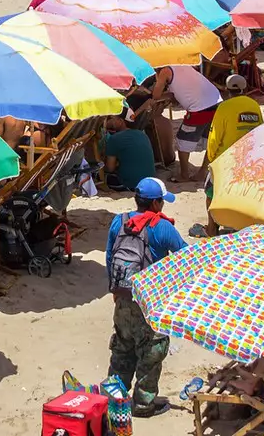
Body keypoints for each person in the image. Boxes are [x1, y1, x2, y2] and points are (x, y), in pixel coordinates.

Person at [105, 178, 188, 417]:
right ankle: (143, 404)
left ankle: (113, 400)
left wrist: (115, 291)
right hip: (150, 302)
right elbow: (185, 257)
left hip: (123, 298)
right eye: (162, 201)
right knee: (151, 352)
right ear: (155, 203)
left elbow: (110, 256)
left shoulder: (119, 221)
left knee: (122, 349)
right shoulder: (162, 227)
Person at [100, 112, 157, 191]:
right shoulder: (141, 134)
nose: (107, 121)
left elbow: (110, 168)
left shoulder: (114, 139)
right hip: (150, 181)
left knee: (99, 176)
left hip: (130, 184)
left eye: (110, 118)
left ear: (121, 121)